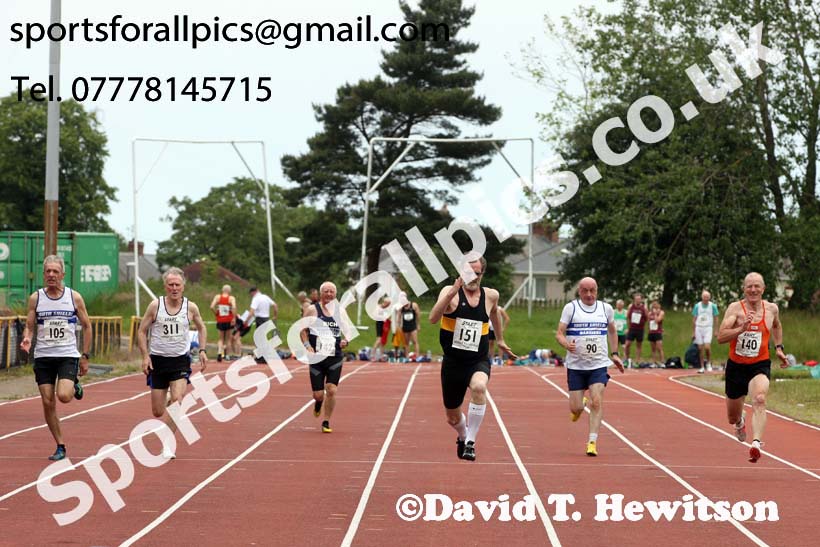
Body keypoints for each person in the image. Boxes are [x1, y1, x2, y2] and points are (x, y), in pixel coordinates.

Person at [429, 254, 515, 462]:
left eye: (477, 273)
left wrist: (501, 340)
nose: (473, 277)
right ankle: (462, 435)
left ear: (482, 273)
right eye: (469, 273)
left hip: (478, 359)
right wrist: (450, 293)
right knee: (452, 417)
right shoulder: (450, 293)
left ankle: (470, 442)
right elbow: (433, 319)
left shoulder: (491, 295)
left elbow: (494, 313)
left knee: (479, 387)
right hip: (452, 362)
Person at [20, 255, 92, 461]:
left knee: (64, 396)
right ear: (44, 274)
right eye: (48, 271)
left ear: (63, 274)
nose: (51, 275)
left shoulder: (74, 297)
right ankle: (60, 445)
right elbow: (30, 325)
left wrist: (85, 356)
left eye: (55, 271)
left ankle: (74, 385)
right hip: (43, 356)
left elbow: (87, 327)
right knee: (47, 401)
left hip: (67, 355)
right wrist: (27, 338)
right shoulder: (36, 298)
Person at [137, 267, 208, 459]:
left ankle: (167, 445)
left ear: (183, 286)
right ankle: (167, 400)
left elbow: (202, 328)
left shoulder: (191, 307)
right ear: (165, 286)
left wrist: (202, 350)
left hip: (180, 361)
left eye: (178, 284)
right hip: (158, 362)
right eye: (171, 285)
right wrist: (145, 356)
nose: (174, 288)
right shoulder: (155, 306)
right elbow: (141, 331)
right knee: (158, 412)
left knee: (178, 400)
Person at [717, 272, 787, 463]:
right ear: (744, 289)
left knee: (760, 398)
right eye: (749, 286)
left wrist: (779, 348)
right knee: (732, 417)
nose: (753, 290)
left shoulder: (772, 309)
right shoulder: (735, 310)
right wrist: (741, 329)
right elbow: (721, 337)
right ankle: (740, 422)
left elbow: (777, 326)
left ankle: (756, 443)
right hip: (736, 367)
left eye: (757, 286)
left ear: (763, 289)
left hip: (759, 364)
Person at [555, 277, 625, 456]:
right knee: (576, 408)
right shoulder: (571, 308)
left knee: (597, 400)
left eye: (592, 290)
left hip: (598, 364)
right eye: (585, 291)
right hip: (576, 366)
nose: (589, 294)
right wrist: (565, 344)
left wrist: (615, 354)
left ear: (597, 290)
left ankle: (592, 441)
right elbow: (559, 333)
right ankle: (580, 405)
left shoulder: (605, 308)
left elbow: (612, 330)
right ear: (579, 291)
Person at [301, 281, 349, 433]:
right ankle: (318, 403)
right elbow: (302, 330)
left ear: (335, 294)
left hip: (334, 357)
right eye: (326, 291)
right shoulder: (311, 310)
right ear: (321, 294)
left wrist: (345, 340)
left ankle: (326, 421)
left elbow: (348, 331)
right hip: (317, 358)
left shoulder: (340, 311)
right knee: (318, 394)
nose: (329, 294)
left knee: (332, 390)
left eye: (332, 292)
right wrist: (308, 346)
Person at [692, 290, 719, 373]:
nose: (706, 299)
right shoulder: (697, 306)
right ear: (702, 297)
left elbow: (716, 318)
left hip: (708, 327)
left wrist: (716, 330)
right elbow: (694, 319)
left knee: (707, 347)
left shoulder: (713, 306)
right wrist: (693, 332)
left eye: (707, 297)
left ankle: (708, 363)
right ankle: (702, 366)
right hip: (699, 327)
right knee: (700, 348)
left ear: (709, 298)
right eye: (704, 297)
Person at [209, 284, 236, 362]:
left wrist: (216, 313)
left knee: (220, 339)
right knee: (227, 339)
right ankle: (227, 355)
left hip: (220, 320)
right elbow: (234, 307)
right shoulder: (231, 298)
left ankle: (219, 353)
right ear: (229, 291)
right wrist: (233, 317)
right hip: (228, 320)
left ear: (222, 290)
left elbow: (211, 307)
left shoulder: (218, 297)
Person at [623, 293, 647, 366]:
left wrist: (643, 325)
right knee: (627, 344)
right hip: (632, 328)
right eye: (636, 299)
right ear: (634, 300)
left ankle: (637, 361)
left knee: (638, 345)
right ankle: (626, 359)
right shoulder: (631, 306)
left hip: (640, 329)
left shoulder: (644, 308)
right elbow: (627, 317)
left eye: (639, 299)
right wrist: (627, 327)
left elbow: (646, 318)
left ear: (641, 300)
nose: (638, 300)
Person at [647, 300, 665, 366]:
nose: (654, 306)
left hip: (658, 332)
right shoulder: (649, 313)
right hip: (651, 332)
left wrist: (655, 314)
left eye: (655, 305)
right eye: (653, 305)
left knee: (659, 348)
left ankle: (662, 362)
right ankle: (654, 362)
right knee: (653, 349)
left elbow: (657, 320)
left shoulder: (661, 312)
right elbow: (649, 322)